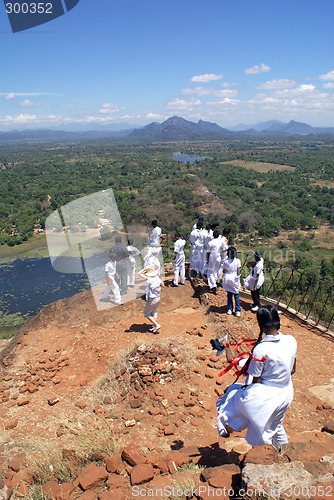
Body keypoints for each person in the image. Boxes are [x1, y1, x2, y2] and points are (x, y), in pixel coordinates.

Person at [216, 305, 297, 451]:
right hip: (286, 393)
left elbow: (256, 383)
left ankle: (227, 429)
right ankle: (285, 453)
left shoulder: (260, 350)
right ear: (278, 321)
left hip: (267, 396)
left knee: (233, 398)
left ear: (261, 325)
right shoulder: (291, 341)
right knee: (276, 425)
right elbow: (293, 370)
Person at [138, 267, 164, 333]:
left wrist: (144, 268)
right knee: (154, 312)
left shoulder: (148, 279)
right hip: (157, 297)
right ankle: (154, 326)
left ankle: (156, 325)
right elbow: (162, 285)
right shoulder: (158, 278)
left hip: (151, 298)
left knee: (146, 313)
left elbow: (139, 273)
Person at [222, 246, 241, 316]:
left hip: (227, 278)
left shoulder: (226, 261)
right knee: (236, 294)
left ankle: (230, 309)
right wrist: (238, 278)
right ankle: (237, 310)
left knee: (229, 294)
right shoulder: (238, 261)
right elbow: (238, 271)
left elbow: (224, 270)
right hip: (234, 278)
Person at [206, 230, 222, 294]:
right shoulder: (220, 242)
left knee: (210, 272)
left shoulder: (210, 242)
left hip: (212, 258)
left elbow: (208, 252)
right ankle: (215, 282)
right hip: (218, 258)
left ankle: (213, 285)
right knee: (215, 271)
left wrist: (207, 259)